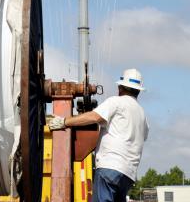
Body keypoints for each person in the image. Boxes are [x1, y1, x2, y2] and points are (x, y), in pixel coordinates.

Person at [48, 68, 149, 202]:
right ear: (138, 91)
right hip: (128, 174)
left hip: (110, 167)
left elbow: (94, 117)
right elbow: (143, 136)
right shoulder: (142, 115)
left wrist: (64, 122)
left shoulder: (116, 102)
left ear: (120, 87)